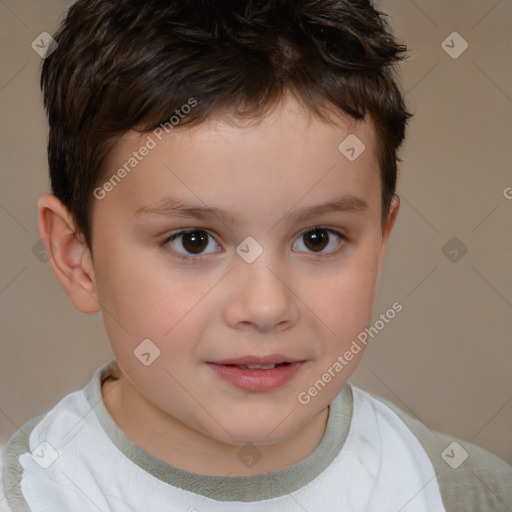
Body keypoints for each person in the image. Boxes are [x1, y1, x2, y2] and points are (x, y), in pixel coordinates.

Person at [1, 0, 511, 510]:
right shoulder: (31, 495)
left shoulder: (465, 494)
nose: (267, 307)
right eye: (193, 241)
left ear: (380, 243)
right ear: (77, 258)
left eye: (318, 238)